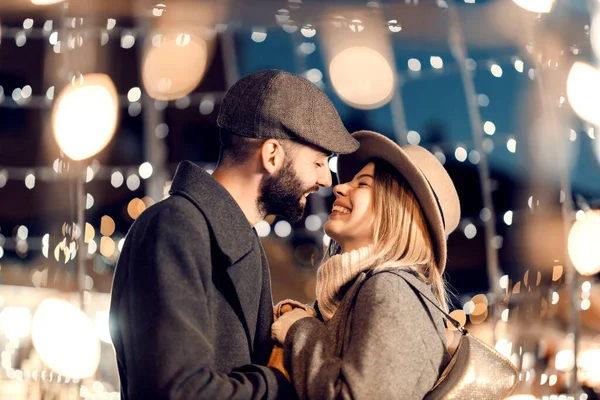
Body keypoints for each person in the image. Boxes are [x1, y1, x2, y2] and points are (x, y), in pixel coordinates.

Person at [109, 70, 359, 400]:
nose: (326, 179)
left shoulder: (236, 239)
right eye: (318, 162)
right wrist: (281, 379)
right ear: (272, 155)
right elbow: (177, 391)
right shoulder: (174, 228)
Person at [271, 130, 461, 399]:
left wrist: (300, 330)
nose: (338, 187)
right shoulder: (356, 292)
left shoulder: (392, 290)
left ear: (395, 208)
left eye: (362, 184)